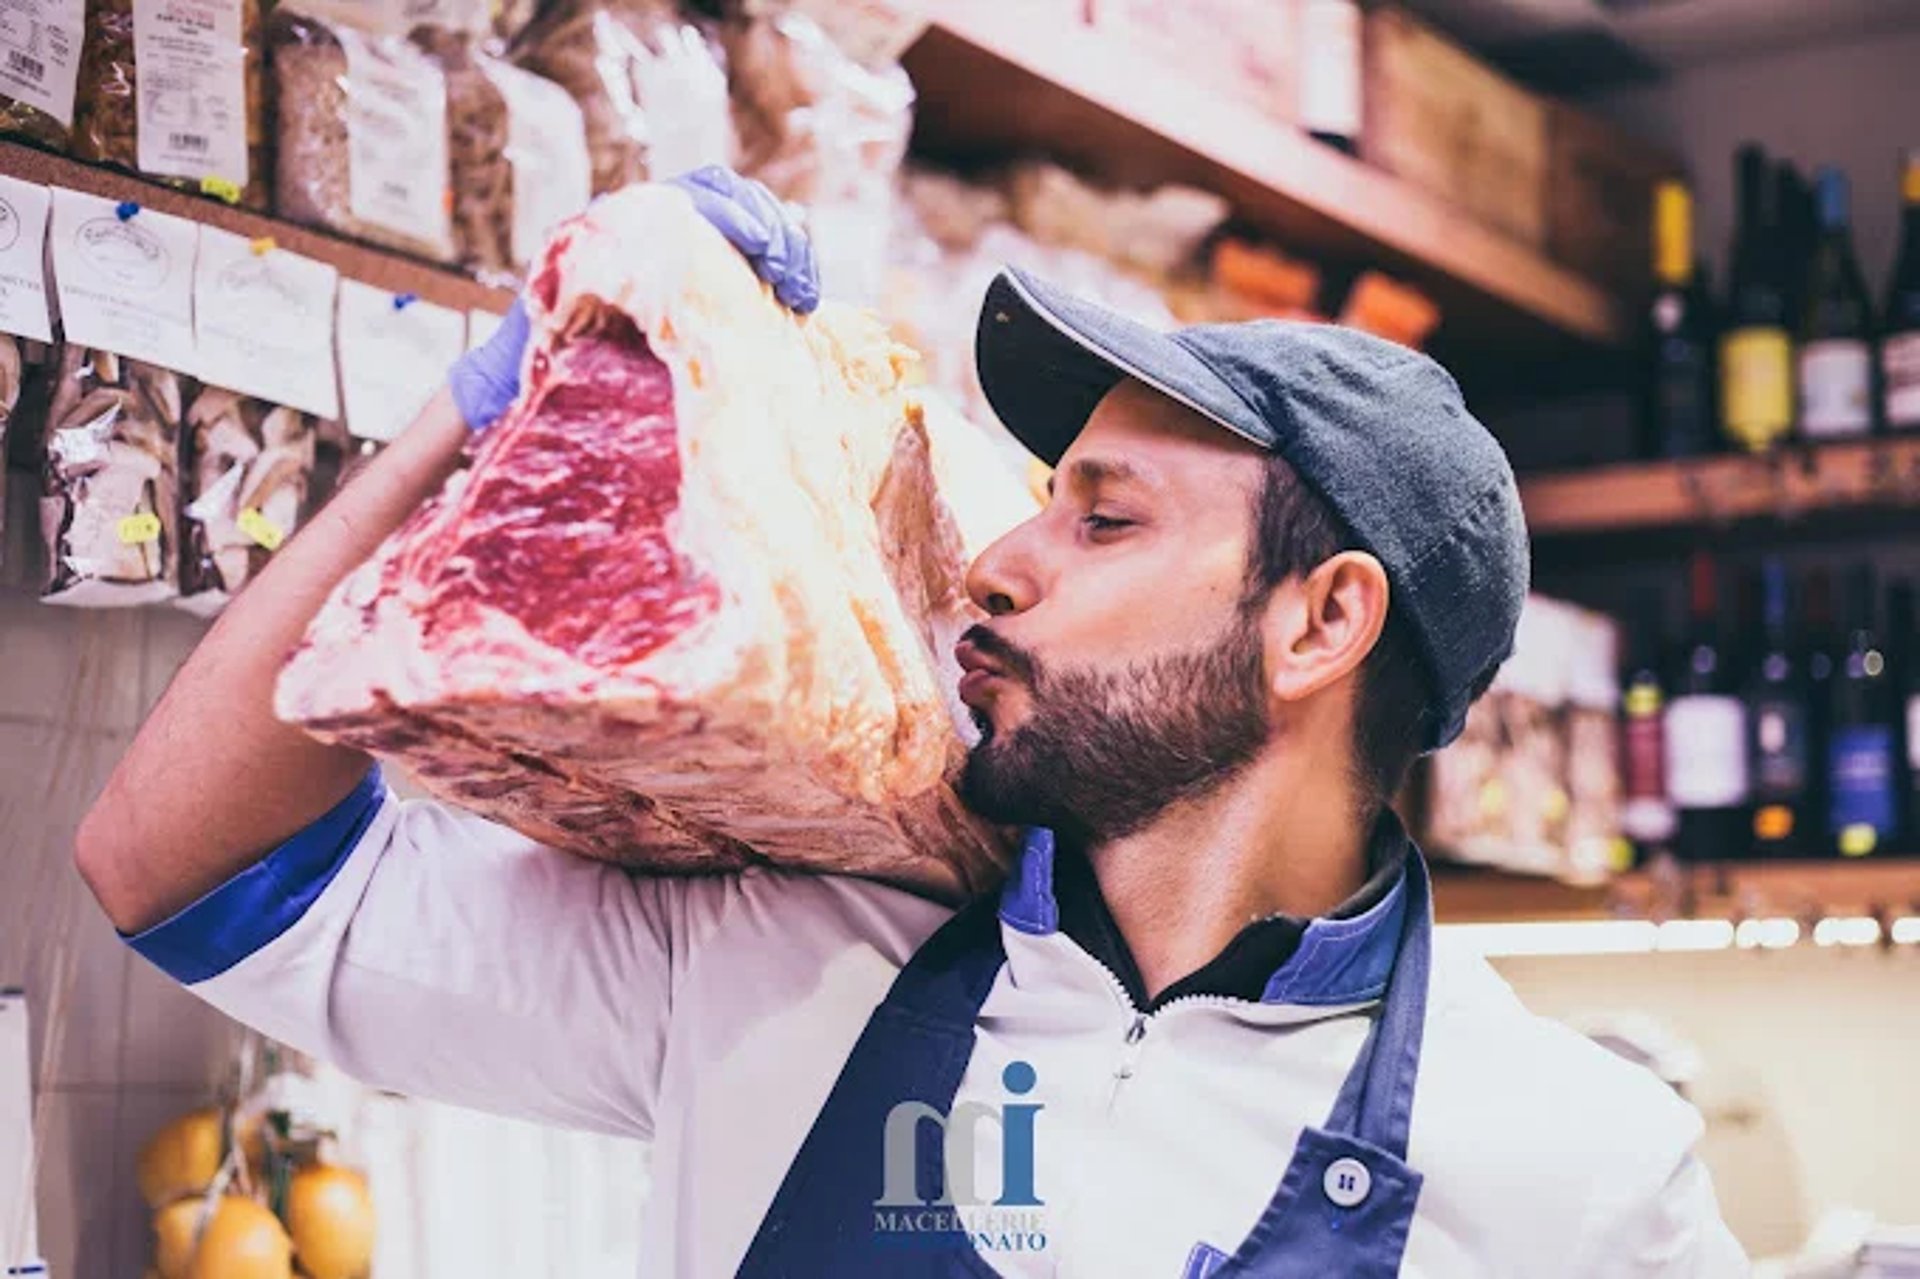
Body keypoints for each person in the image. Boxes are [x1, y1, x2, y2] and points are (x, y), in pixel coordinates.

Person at [76, 168, 1747, 1278]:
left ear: (1322, 624)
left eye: (1104, 520)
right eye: (1040, 499)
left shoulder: (1582, 1169)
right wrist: (488, 404)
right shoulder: (786, 957)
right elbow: (176, 868)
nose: (1002, 562)